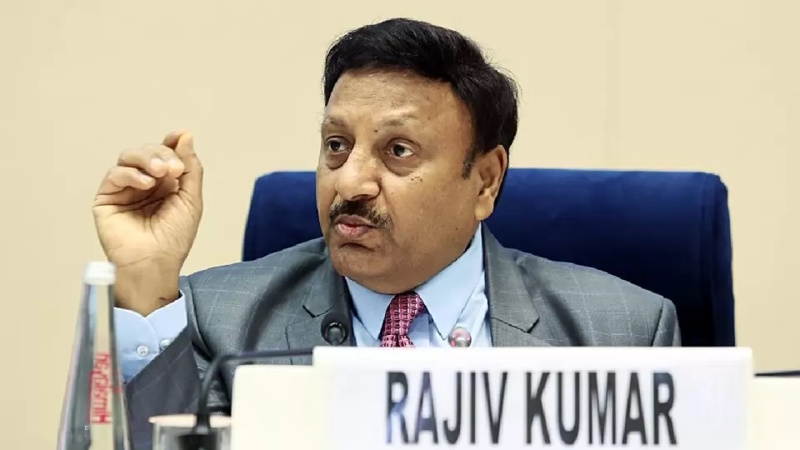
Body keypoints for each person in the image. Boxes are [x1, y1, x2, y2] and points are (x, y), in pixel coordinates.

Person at [93, 18, 680, 449]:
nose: (349, 182)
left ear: (485, 181)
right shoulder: (220, 321)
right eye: (336, 145)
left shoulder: (621, 334)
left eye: (398, 151)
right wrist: (147, 280)